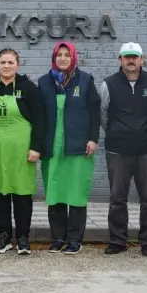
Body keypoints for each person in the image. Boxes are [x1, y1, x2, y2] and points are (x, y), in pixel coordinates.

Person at [100, 42, 147, 257]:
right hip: (117, 151)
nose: (131, 60)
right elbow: (103, 115)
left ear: (142, 60)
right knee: (117, 199)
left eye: (135, 57)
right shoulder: (108, 84)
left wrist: (146, 132)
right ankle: (118, 241)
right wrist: (117, 132)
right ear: (120, 60)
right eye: (126, 57)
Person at [38, 41, 101, 255]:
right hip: (52, 147)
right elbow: (39, 118)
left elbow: (95, 112)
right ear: (54, 57)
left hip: (78, 147)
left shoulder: (85, 80)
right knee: (54, 193)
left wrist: (93, 139)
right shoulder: (44, 82)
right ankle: (58, 238)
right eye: (59, 54)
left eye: (67, 54)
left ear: (73, 57)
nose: (63, 58)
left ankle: (74, 239)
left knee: (75, 193)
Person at [0, 48, 45, 255]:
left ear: (18, 65)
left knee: (22, 194)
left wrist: (36, 147)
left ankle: (23, 237)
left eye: (10, 62)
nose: (6, 66)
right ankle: (3, 236)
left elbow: (41, 120)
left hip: (21, 152)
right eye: (3, 62)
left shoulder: (29, 88)